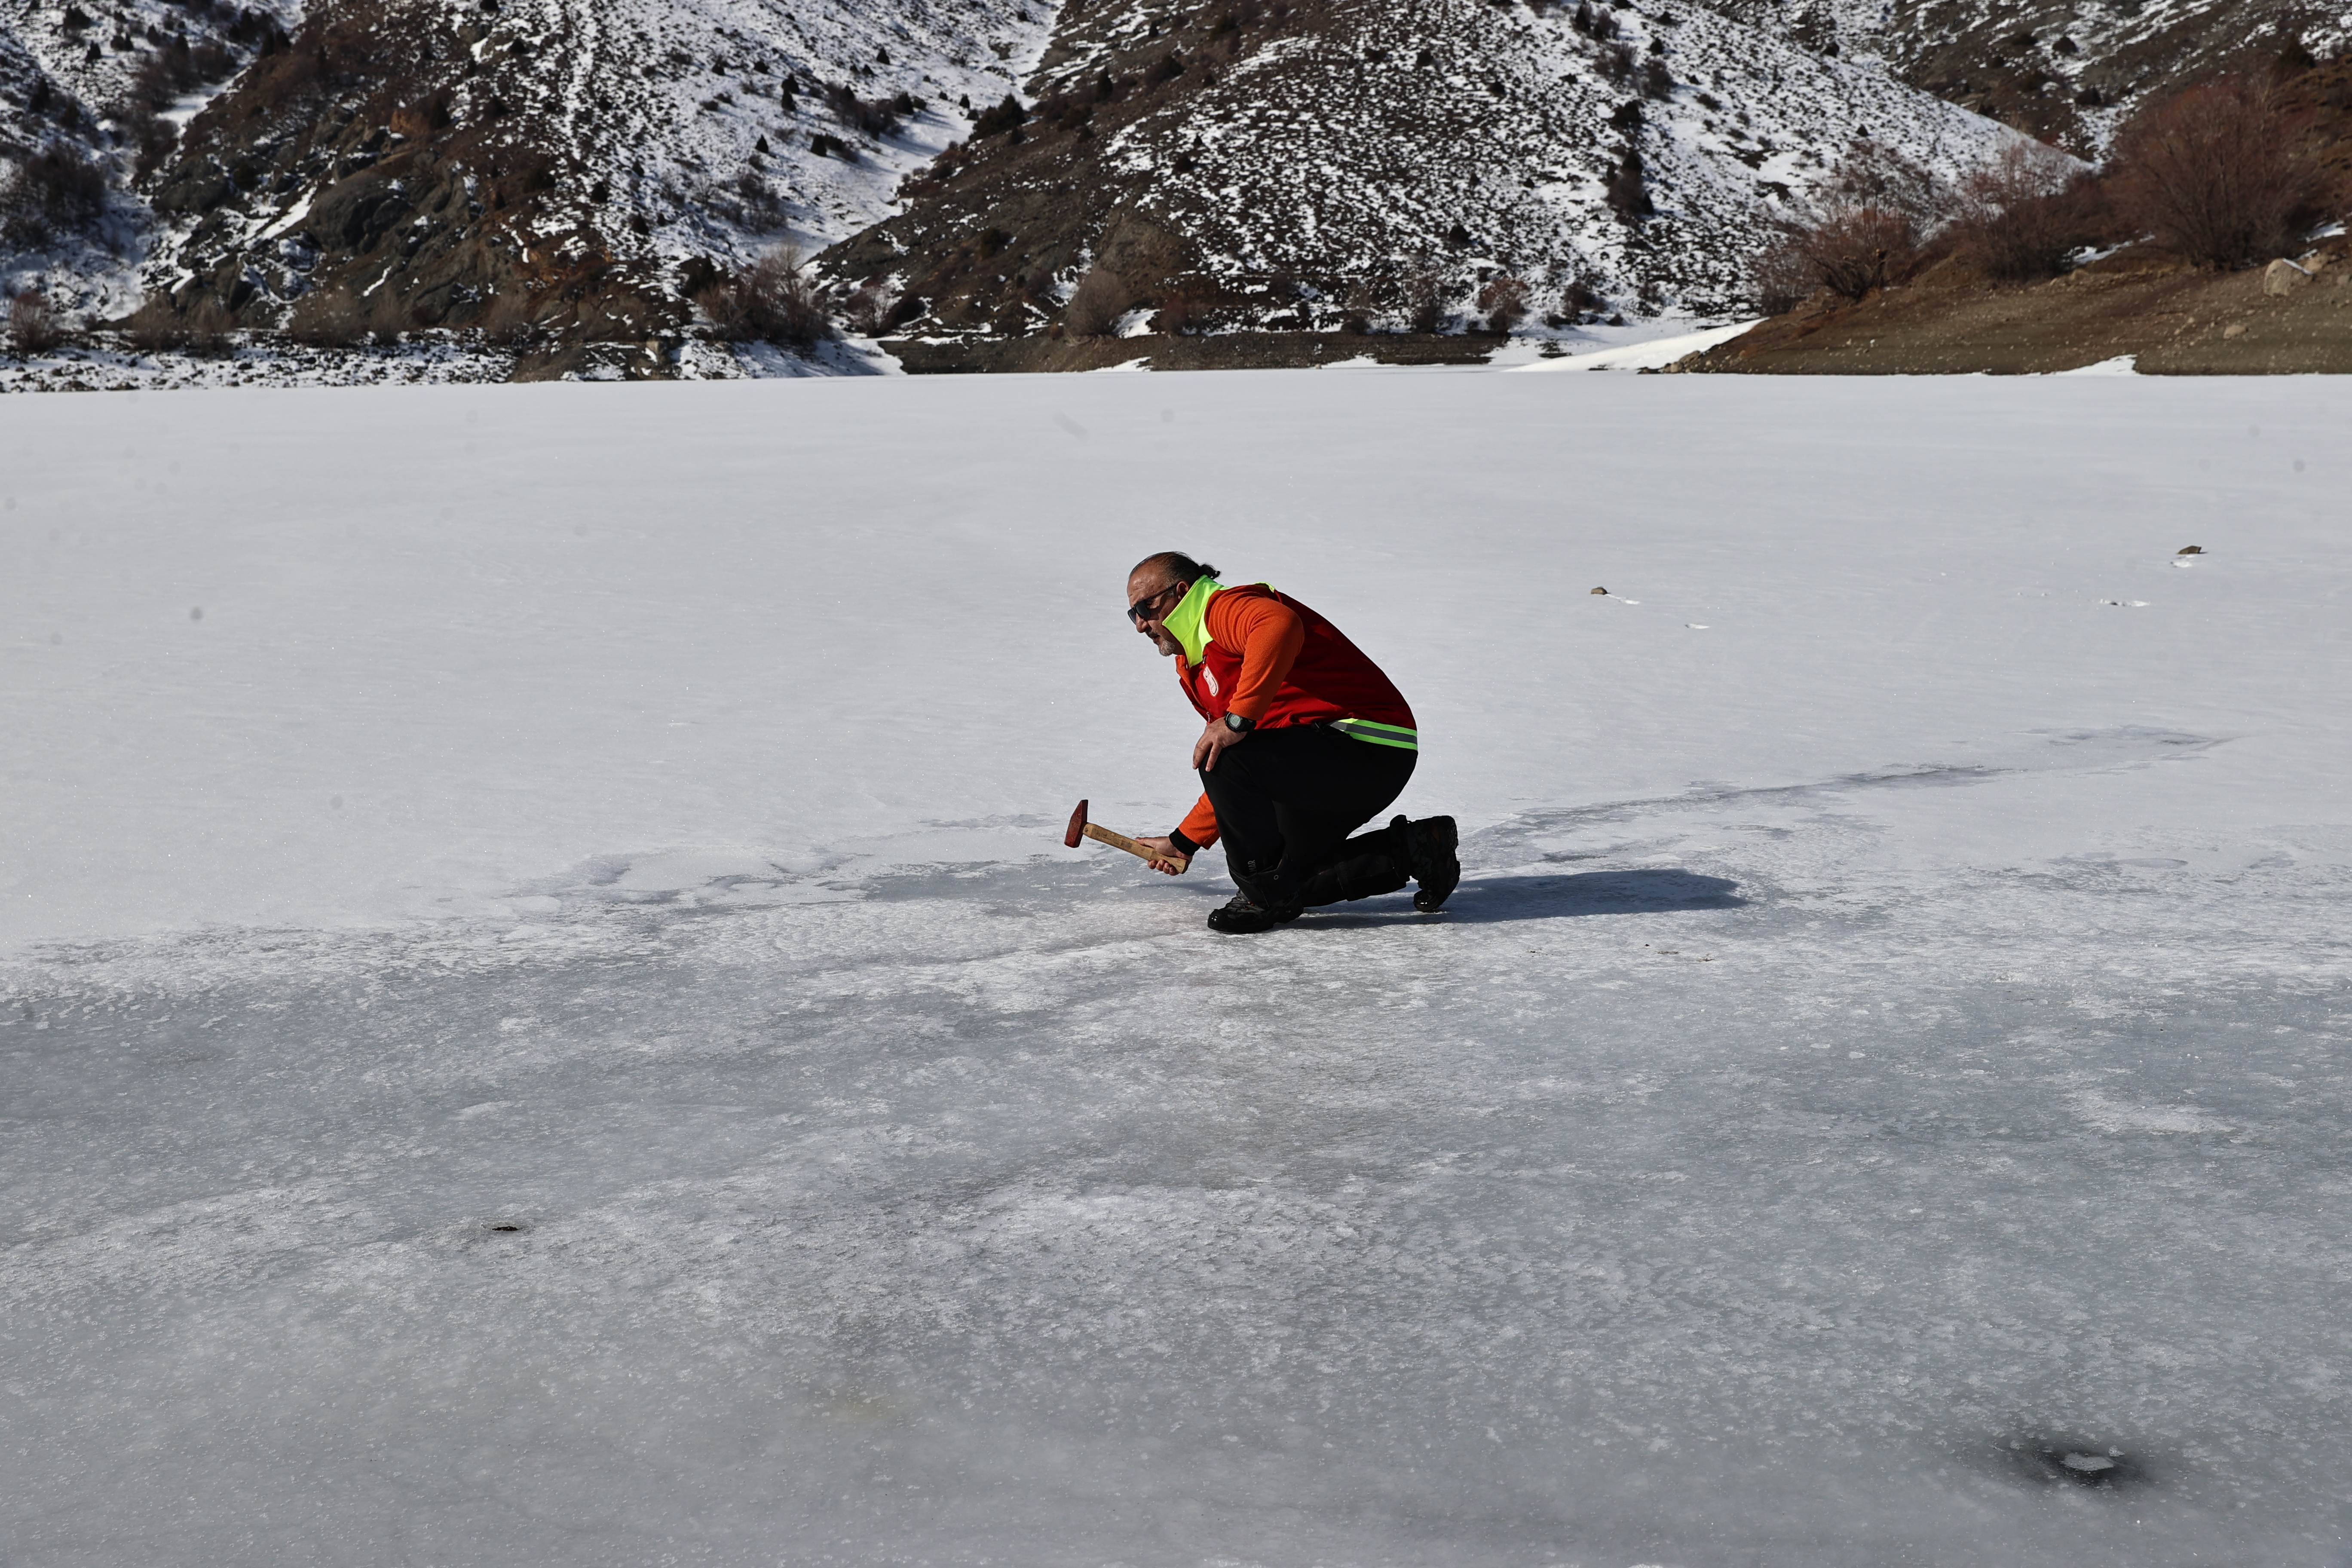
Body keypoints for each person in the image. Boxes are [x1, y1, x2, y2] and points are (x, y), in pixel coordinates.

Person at [1123, 551, 1460, 934]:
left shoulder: (1222, 609)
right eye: (1131, 614)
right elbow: (1237, 766)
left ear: (1181, 592)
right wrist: (1184, 841)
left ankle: (1261, 897)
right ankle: (1419, 847)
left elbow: (1279, 624)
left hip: (1368, 743)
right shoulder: (1195, 666)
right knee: (1288, 879)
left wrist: (1236, 720)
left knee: (1236, 776)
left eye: (1145, 608)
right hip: (1331, 762)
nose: (1139, 625)